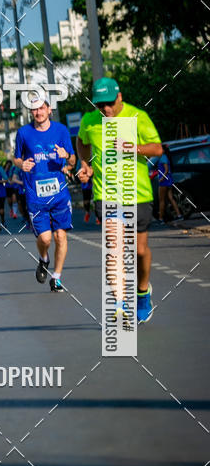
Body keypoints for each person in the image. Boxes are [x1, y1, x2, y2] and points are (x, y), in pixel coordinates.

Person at [77, 77, 163, 322]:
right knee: (114, 250)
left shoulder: (137, 116)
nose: (105, 109)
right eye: (99, 104)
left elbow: (157, 148)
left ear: (119, 97)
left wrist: (131, 148)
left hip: (137, 194)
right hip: (106, 194)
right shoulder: (89, 121)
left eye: (108, 103)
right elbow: (82, 141)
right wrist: (85, 163)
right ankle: (121, 303)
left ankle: (143, 292)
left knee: (139, 250)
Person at [14, 97, 76, 292]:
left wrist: (66, 156)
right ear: (30, 112)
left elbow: (73, 160)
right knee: (46, 238)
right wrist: (20, 164)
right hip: (35, 194)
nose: (38, 112)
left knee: (60, 236)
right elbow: (16, 157)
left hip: (59, 193)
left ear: (49, 109)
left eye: (42, 108)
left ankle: (56, 277)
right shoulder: (23, 133)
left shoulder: (61, 131)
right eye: (34, 109)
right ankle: (44, 258)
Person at [157, 144, 182, 223]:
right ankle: (179, 215)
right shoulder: (166, 157)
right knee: (171, 198)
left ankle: (161, 219)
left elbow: (166, 170)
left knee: (161, 200)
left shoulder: (163, 157)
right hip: (169, 181)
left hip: (164, 182)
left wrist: (162, 178)